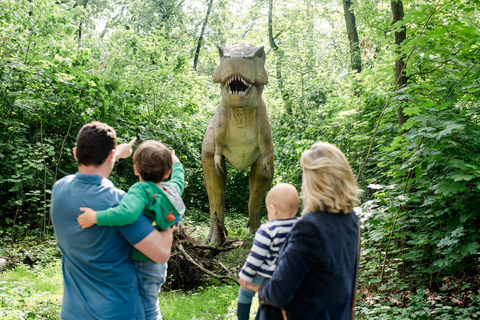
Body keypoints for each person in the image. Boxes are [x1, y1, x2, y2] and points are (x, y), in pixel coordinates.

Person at [50, 121, 173, 320]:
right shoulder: (118, 202)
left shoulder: (59, 190)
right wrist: (167, 218)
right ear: (110, 156)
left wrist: (117, 153)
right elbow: (161, 253)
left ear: (75, 154)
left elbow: (89, 181)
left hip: (73, 313)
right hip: (119, 312)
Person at [247, 142, 362, 320]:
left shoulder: (309, 227)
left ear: (315, 182)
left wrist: (255, 285)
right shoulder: (351, 220)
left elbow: (278, 293)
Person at [77, 140, 186, 320]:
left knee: (147, 309)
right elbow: (179, 178)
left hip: (141, 263)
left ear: (136, 169)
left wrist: (95, 217)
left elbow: (126, 213)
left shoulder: (141, 190)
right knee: (147, 303)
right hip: (157, 266)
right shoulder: (170, 190)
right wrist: (176, 162)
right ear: (167, 173)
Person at [237, 183, 300, 320]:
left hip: (264, 275)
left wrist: (245, 275)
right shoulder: (300, 226)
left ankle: (242, 318)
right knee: (267, 303)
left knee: (245, 292)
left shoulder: (268, 229)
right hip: (283, 277)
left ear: (274, 210)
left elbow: (256, 257)